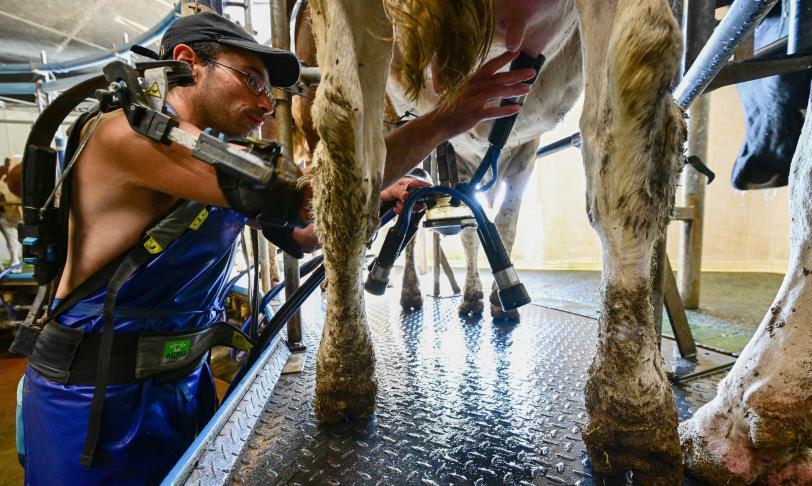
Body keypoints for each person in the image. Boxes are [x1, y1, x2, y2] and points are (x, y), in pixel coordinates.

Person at [17, 11, 535, 485]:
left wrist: (379, 203)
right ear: (187, 64)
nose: (268, 105)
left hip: (183, 382)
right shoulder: (124, 136)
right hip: (96, 398)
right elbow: (305, 197)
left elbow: (306, 234)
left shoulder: (218, 162)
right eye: (251, 81)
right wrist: (442, 121)